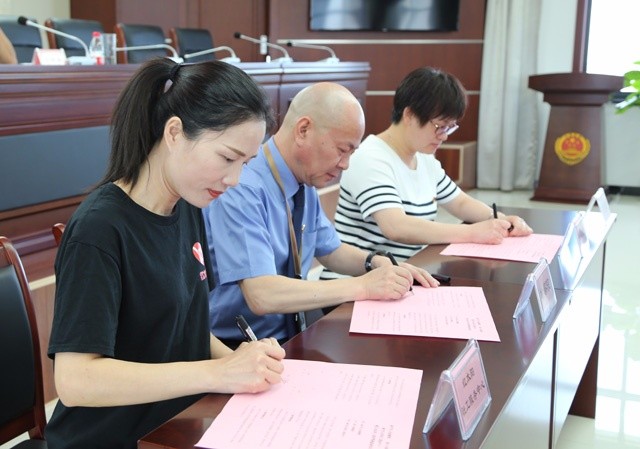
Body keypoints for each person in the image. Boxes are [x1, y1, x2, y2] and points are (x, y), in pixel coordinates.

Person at [45, 58, 285, 449]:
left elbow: (187, 326)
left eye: (245, 163)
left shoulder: (188, 205)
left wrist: (240, 362)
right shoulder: (99, 229)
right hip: (113, 438)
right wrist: (219, 373)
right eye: (227, 158)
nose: (234, 179)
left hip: (176, 425)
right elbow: (75, 381)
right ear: (174, 133)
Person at [203, 82, 439, 349]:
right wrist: (364, 286)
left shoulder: (303, 177)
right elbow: (262, 295)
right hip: (241, 344)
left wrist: (376, 263)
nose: (346, 164)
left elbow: (331, 250)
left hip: (294, 329)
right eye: (342, 150)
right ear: (303, 130)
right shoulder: (243, 186)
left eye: (352, 153)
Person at [321, 67, 533, 281]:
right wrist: (472, 233)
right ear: (409, 115)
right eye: (440, 126)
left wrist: (502, 220)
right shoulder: (370, 158)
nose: (444, 136)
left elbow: (460, 203)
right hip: (357, 283)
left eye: (450, 128)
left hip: (404, 275)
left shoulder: (424, 158)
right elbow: (396, 227)